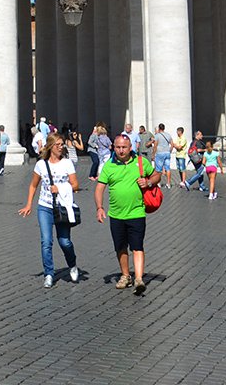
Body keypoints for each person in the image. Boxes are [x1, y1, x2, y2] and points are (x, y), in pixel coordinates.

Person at [95, 134, 160, 295]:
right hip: (116, 214)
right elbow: (99, 188)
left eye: (124, 147)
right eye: (118, 147)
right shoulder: (109, 166)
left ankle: (138, 278)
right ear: (113, 148)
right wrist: (99, 207)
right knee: (121, 247)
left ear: (130, 147)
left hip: (136, 212)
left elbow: (156, 174)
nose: (121, 150)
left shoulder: (140, 162)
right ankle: (125, 275)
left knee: (137, 246)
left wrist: (149, 182)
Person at [19, 132, 80, 288]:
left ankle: (72, 264)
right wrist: (28, 204)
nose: (61, 147)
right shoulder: (41, 164)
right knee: (46, 241)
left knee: (65, 242)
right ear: (50, 146)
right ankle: (48, 273)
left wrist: (59, 188)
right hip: (45, 206)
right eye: (58, 145)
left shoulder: (67, 163)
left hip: (62, 207)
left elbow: (75, 185)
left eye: (62, 145)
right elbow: (33, 185)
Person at [151, 124, 173, 188]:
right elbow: (172, 144)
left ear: (159, 128)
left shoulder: (157, 136)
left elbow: (155, 146)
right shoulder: (168, 135)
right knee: (168, 168)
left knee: (159, 169)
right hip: (167, 153)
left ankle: (158, 183)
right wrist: (170, 151)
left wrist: (153, 154)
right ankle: (168, 183)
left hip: (159, 153)